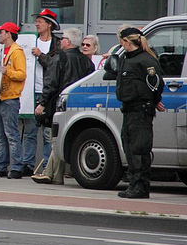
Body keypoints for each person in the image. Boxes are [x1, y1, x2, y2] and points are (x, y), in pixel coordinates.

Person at [106, 26, 165, 199]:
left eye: (121, 42)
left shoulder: (145, 60)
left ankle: (141, 187)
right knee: (130, 148)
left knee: (140, 149)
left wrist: (154, 100)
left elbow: (156, 83)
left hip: (140, 110)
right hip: (129, 110)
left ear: (126, 41)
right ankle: (134, 184)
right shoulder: (128, 59)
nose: (121, 45)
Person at [32, 28, 94, 185]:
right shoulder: (87, 61)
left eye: (63, 38)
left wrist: (42, 103)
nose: (60, 41)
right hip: (81, 104)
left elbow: (51, 82)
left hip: (61, 103)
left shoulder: (60, 57)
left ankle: (50, 173)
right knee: (63, 138)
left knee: (56, 138)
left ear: (69, 41)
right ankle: (56, 175)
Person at [0, 22, 26, 179]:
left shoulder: (17, 52)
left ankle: (16, 167)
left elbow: (21, 74)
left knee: (11, 134)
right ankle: (1, 166)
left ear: (8, 34)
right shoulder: (0, 50)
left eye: (1, 32)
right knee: (0, 135)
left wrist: (7, 71)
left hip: (9, 97)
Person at [25, 8, 61, 175]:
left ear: (49, 25)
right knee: (29, 131)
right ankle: (27, 165)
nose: (36, 24)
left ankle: (47, 166)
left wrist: (40, 55)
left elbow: (55, 66)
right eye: (36, 21)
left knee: (47, 133)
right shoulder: (31, 41)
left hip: (48, 94)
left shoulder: (58, 44)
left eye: (40, 21)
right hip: (31, 92)